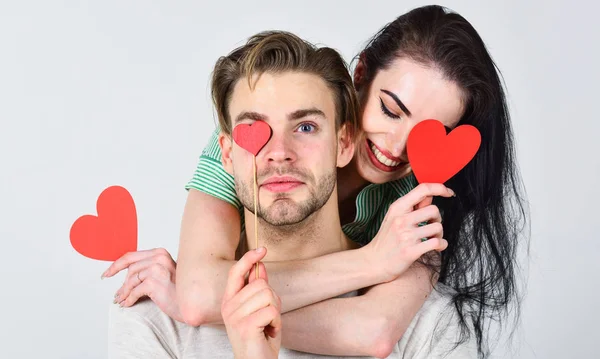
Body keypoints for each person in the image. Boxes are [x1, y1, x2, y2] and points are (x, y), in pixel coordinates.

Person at [103, 5, 528, 358]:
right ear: (360, 77)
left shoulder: (419, 211)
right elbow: (198, 295)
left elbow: (375, 330)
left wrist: (215, 311)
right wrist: (374, 261)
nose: (397, 146)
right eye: (391, 110)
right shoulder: (247, 146)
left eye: (306, 128)